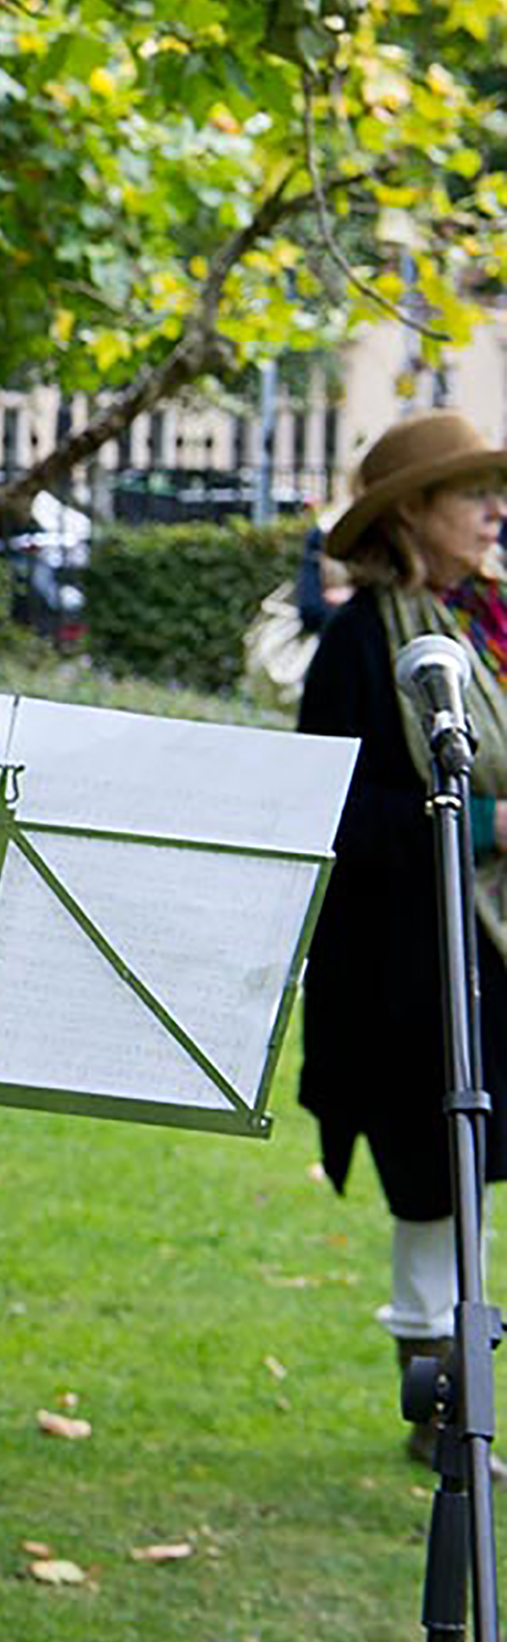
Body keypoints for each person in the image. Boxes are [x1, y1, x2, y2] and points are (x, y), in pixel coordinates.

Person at [295, 409, 507, 1450]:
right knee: (433, 1180)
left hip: (495, 950)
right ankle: (441, 1414)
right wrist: (484, 822)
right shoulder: (354, 644)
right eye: (471, 494)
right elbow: (330, 808)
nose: (494, 511)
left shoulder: (493, 622)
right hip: (407, 967)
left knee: (473, 1167)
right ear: (412, 515)